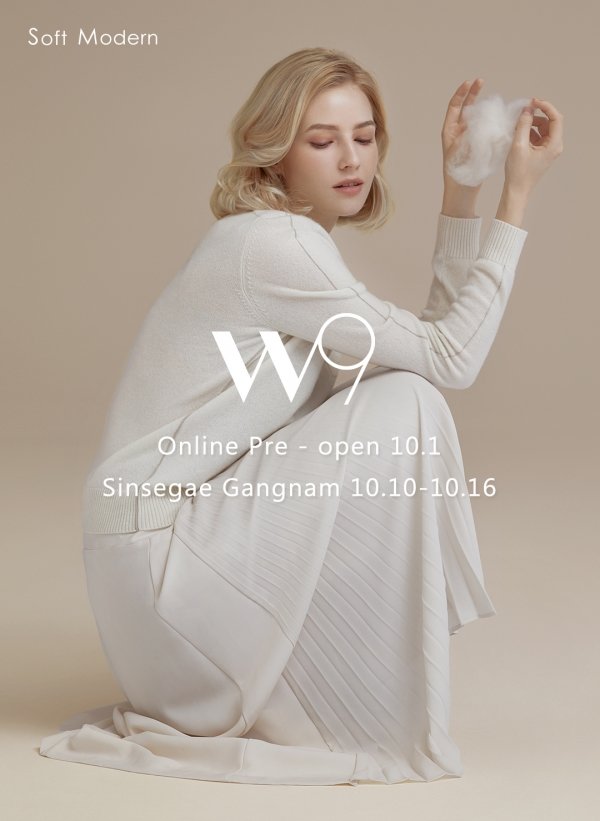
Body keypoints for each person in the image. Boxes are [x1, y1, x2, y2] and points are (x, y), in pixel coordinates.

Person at [39, 48, 563, 785]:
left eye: (365, 136)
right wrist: (516, 197)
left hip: (150, 604)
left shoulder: (280, 246)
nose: (351, 159)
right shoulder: (275, 244)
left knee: (402, 394)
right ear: (274, 153)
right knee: (409, 402)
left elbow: (425, 354)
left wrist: (460, 187)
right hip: (163, 585)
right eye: (322, 141)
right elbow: (451, 359)